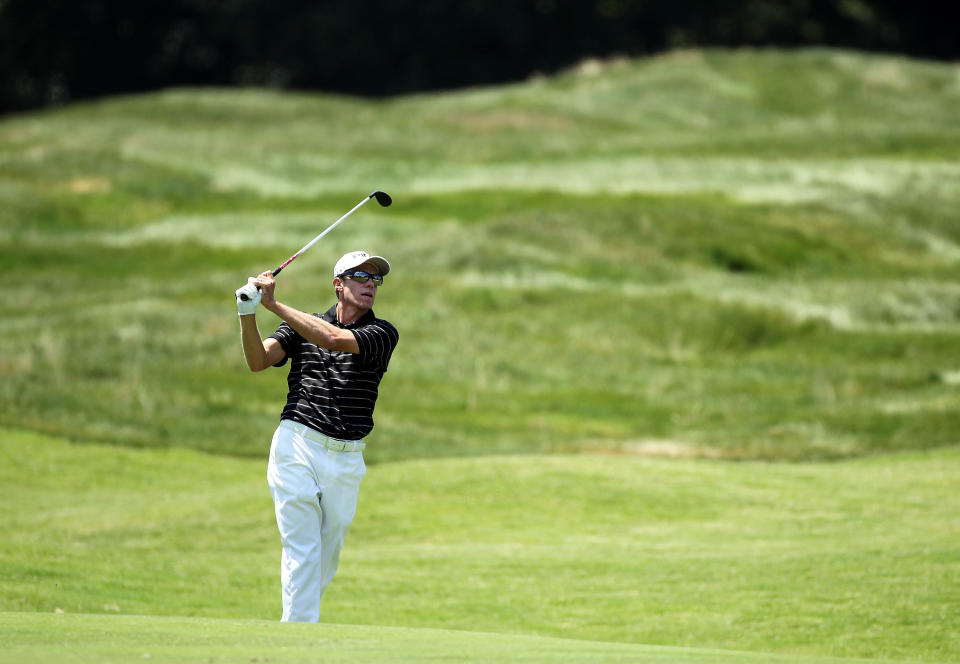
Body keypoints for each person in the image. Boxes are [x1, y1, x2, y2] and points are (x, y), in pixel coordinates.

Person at [234, 250, 399, 622]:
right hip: (297, 443)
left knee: (325, 556)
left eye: (375, 279)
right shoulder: (300, 325)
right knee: (302, 548)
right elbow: (259, 360)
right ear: (338, 284)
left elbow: (334, 339)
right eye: (360, 276)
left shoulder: (382, 332)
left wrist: (273, 304)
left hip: (346, 455)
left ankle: (299, 622)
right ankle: (297, 639)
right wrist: (248, 314)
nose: (370, 284)